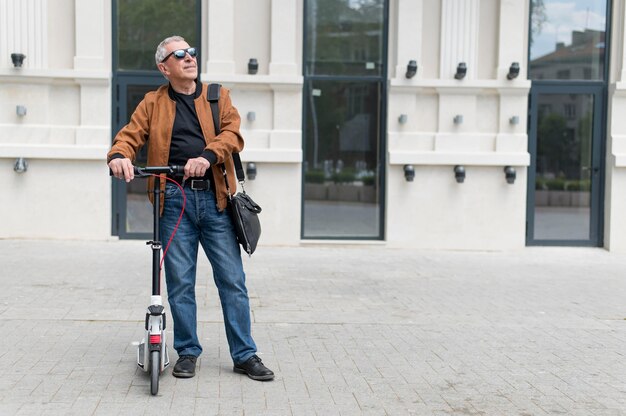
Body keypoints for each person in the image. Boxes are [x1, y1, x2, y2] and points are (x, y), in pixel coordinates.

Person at [107, 35, 274, 381]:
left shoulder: (217, 95)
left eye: (191, 52)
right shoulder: (152, 103)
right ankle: (187, 352)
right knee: (180, 282)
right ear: (164, 67)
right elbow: (130, 135)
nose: (189, 58)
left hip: (215, 201)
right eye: (179, 54)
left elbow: (233, 134)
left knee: (232, 280)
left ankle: (245, 354)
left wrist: (207, 156)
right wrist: (119, 156)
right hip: (173, 203)